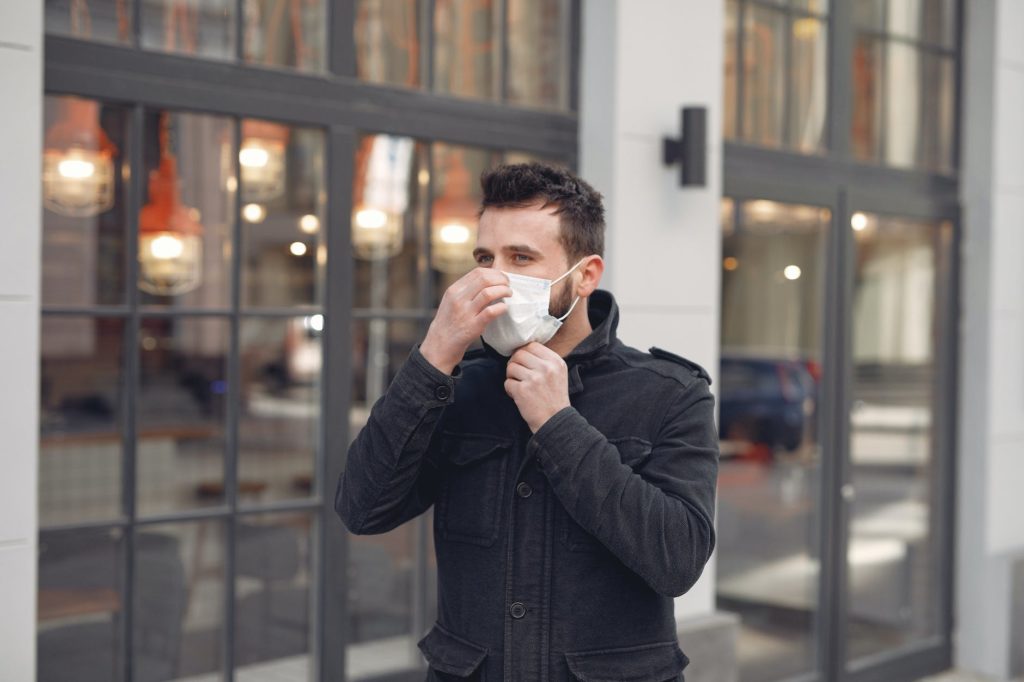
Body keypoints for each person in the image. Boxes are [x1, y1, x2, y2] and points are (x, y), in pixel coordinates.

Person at [335, 161, 720, 682]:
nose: (495, 278)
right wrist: (433, 356)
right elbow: (362, 508)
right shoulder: (456, 384)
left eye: (521, 257)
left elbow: (678, 560)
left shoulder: (670, 393)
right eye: (484, 258)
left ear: (585, 274)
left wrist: (558, 423)